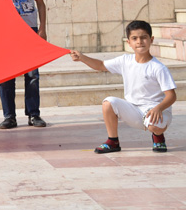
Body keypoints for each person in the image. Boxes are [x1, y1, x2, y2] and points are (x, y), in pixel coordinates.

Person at [70, 20, 176, 153]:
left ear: (151, 39)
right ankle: (113, 142)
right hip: (133, 109)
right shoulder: (125, 60)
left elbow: (171, 96)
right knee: (108, 103)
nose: (139, 41)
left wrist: (158, 108)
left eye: (144, 37)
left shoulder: (158, 68)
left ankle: (158, 136)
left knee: (154, 125)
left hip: (155, 111)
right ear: (129, 43)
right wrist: (82, 58)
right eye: (135, 38)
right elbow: (101, 65)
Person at [0, 0, 48, 129]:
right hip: (7, 33)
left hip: (30, 32)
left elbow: (40, 4)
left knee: (32, 75)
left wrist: (42, 29)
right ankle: (9, 116)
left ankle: (34, 115)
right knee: (6, 76)